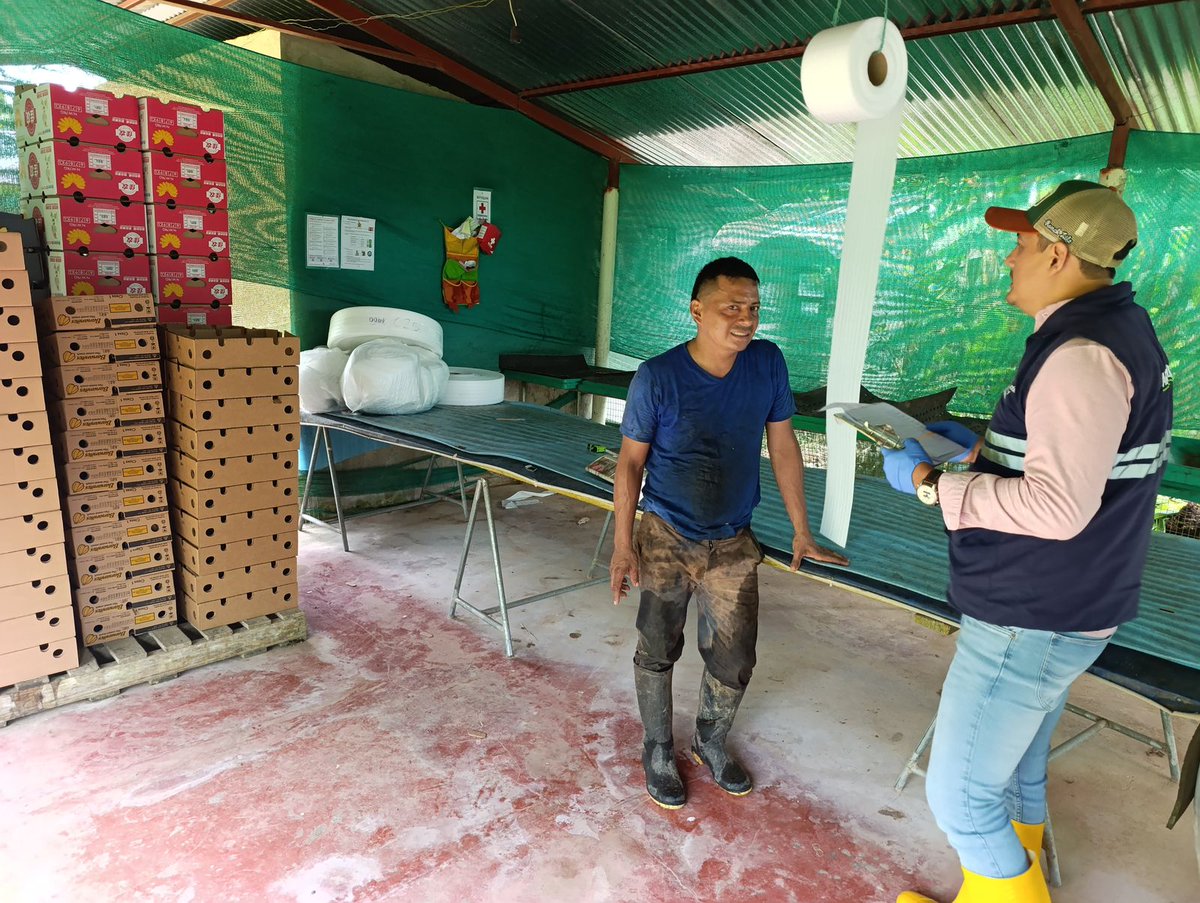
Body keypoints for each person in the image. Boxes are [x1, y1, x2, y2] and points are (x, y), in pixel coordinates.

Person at [880, 181, 1173, 902]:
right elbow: (1071, 461)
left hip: (1030, 612)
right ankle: (1011, 880)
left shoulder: (1080, 353)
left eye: (1019, 244)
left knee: (958, 797)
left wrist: (932, 483)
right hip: (1064, 601)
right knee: (1014, 771)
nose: (1008, 258)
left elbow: (1059, 505)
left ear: (1057, 252)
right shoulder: (1112, 331)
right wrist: (978, 451)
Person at [608, 256, 848, 810]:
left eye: (754, 308)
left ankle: (710, 742)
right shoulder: (658, 376)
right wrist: (624, 545)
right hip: (666, 531)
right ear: (697, 310)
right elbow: (628, 465)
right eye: (731, 307)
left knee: (736, 656)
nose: (746, 319)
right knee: (656, 646)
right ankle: (658, 748)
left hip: (734, 539)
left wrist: (801, 529)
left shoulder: (766, 364)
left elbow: (783, 444)